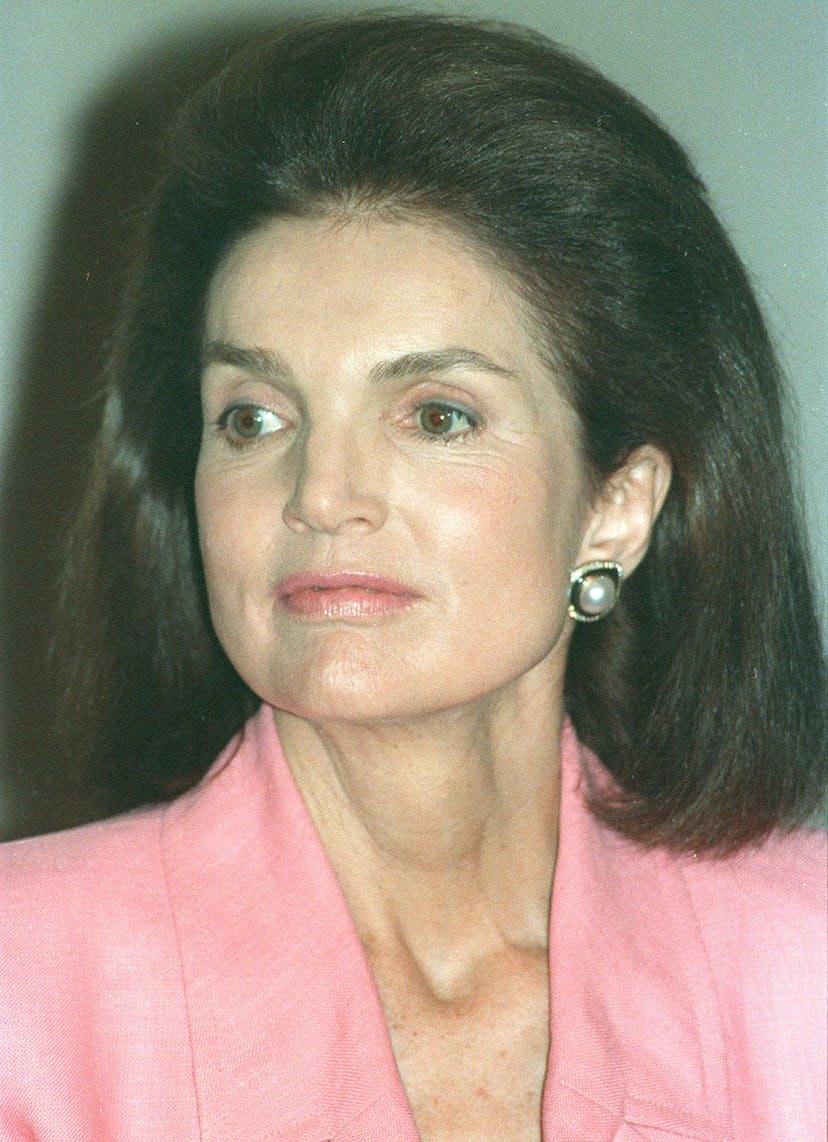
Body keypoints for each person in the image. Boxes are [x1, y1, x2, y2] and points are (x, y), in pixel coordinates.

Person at [1, 12, 825, 1140]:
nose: (320, 493)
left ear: (616, 505)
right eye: (253, 417)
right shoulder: (25, 991)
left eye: (436, 416)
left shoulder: (800, 963)